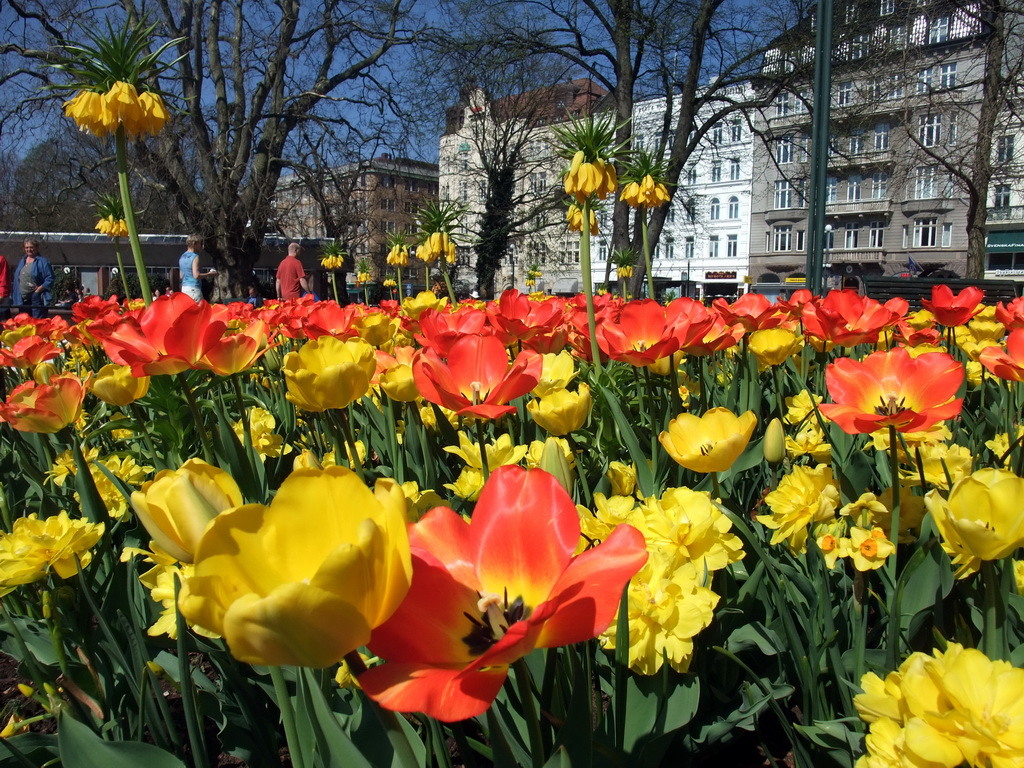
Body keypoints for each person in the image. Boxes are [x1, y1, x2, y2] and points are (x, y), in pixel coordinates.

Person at [14, 239, 54, 319]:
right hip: (22, 299)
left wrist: (39, 290)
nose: (29, 249)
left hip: (36, 297)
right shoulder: (22, 261)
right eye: (27, 247)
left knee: (37, 322)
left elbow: (50, 278)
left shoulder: (43, 262)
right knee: (24, 322)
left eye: (31, 247)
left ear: (37, 247)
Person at [179, 234, 217, 302]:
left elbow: (181, 276)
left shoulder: (182, 257)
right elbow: (196, 275)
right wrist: (209, 274)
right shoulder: (195, 257)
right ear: (194, 244)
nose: (201, 246)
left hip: (184, 289)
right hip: (194, 289)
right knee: (200, 311)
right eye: (199, 244)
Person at [0, 253, 11, 320]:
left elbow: (4, 278)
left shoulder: (1, 260)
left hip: (1, 297)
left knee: (5, 322)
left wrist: (2, 295)